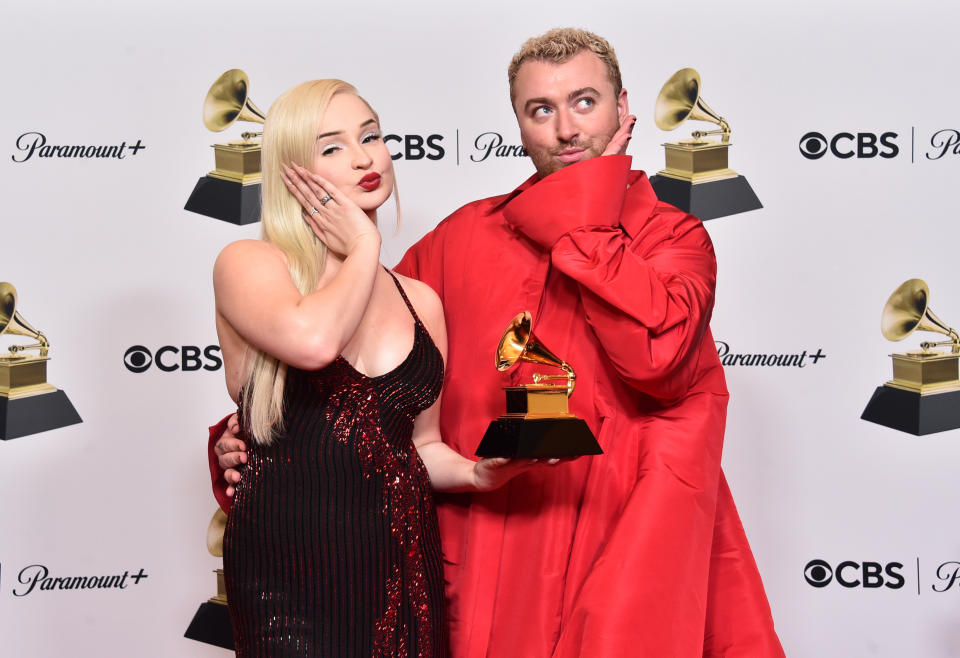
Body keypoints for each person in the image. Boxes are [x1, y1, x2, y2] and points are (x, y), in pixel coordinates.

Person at [212, 30, 785, 657]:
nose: (566, 129)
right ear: (519, 126)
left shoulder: (674, 239)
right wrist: (247, 436)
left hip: (615, 538)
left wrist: (584, 213)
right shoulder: (463, 237)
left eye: (585, 102)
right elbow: (356, 366)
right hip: (486, 548)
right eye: (542, 110)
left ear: (625, 110)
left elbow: (657, 360)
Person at [212, 78, 542, 658]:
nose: (366, 157)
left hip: (401, 565)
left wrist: (476, 474)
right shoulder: (250, 264)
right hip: (287, 571)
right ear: (291, 170)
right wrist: (363, 245)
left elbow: (420, 445)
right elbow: (314, 343)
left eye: (372, 135)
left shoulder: (422, 302)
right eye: (332, 146)